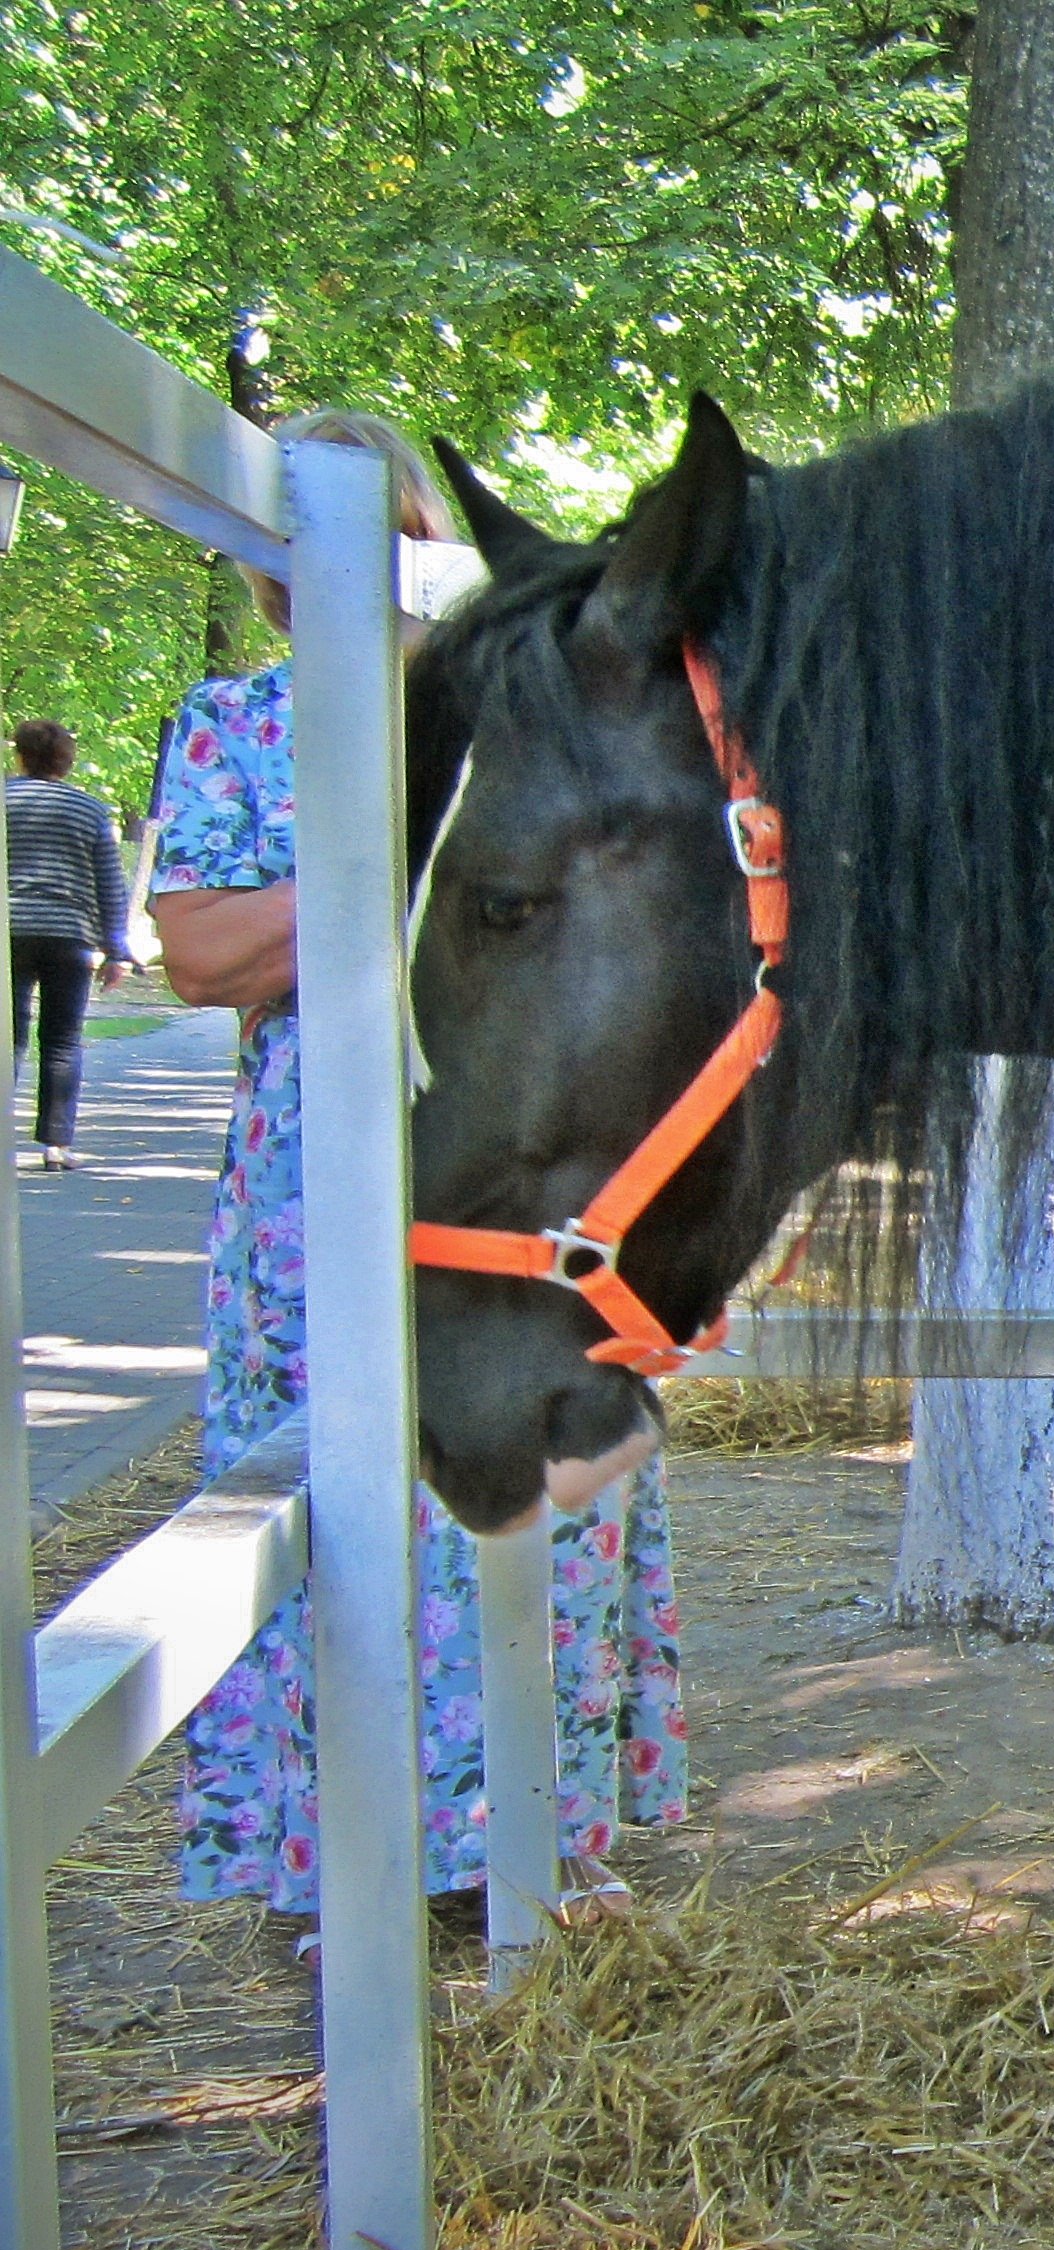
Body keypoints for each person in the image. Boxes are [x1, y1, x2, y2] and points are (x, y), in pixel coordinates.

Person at [146, 407, 689, 1947]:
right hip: (319, 1168)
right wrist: (410, 865)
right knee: (334, 1482)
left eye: (382, 517)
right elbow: (198, 949)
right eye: (295, 533)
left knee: (550, 1468)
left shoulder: (525, 708)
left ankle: (542, 1836)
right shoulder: (240, 725)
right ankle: (356, 1859)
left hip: (532, 1145)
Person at [3, 719, 129, 1170]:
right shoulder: (89, 810)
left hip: (9, 932)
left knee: (7, 1038)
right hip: (70, 935)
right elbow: (110, 883)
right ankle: (56, 1147)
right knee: (61, 1040)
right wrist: (117, 949)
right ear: (66, 760)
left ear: (18, 754)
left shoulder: (4, 799)